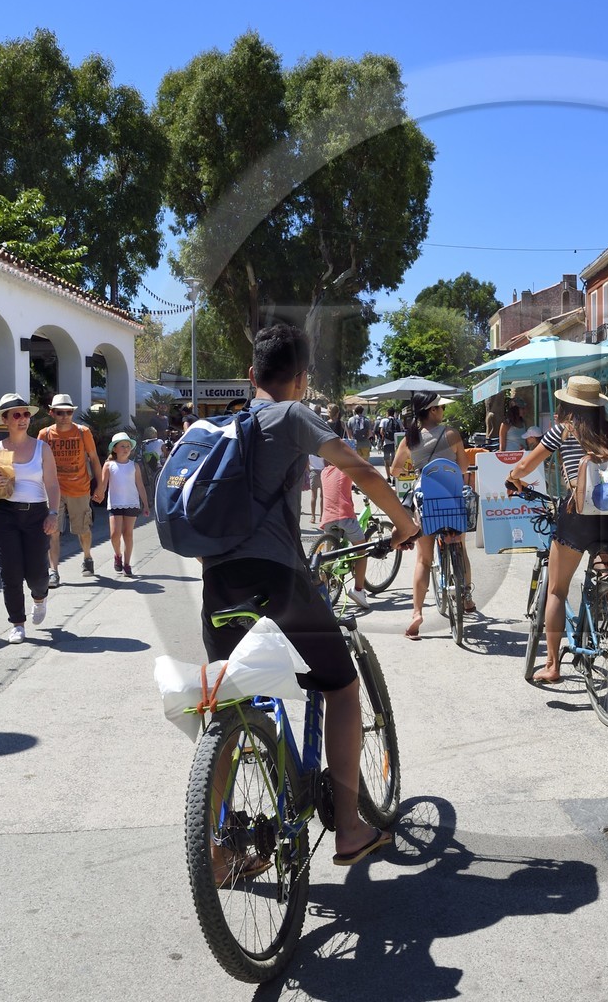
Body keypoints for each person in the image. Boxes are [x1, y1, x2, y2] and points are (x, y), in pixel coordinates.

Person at [199, 322, 418, 870]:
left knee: (234, 707)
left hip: (217, 587)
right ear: (300, 379)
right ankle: (347, 828)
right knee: (342, 687)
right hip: (275, 582)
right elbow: (361, 469)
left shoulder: (220, 428)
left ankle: (217, 849)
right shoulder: (292, 415)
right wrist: (403, 522)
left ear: (252, 376)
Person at [505, 376, 608, 684]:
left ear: (568, 404)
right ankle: (601, 616)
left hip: (577, 518)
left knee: (557, 590)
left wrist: (513, 477)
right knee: (603, 568)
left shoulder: (563, 431)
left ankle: (551, 665)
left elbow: (526, 466)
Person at [0, 393, 62, 645]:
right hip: (4, 514)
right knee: (11, 572)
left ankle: (40, 596)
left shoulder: (42, 448)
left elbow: (53, 485)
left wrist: (53, 513)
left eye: (26, 414)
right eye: (17, 414)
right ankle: (17, 623)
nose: (23, 419)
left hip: (36, 513)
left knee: (37, 573)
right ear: (5, 420)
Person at [392, 391, 473, 641]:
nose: (443, 411)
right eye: (440, 407)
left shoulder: (409, 439)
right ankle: (466, 597)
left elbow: (395, 470)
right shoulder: (451, 434)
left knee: (423, 560)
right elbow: (462, 468)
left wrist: (415, 470)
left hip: (425, 503)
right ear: (433, 410)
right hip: (451, 499)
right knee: (459, 545)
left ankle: (416, 613)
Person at [39, 393, 102, 586]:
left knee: (82, 528)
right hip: (53, 491)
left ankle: (87, 557)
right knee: (53, 531)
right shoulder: (45, 434)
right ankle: (53, 571)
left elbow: (94, 458)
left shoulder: (83, 432)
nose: (64, 416)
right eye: (60, 412)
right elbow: (38, 463)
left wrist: (100, 486)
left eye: (68, 412)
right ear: (52, 413)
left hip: (79, 488)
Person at [320, 461, 371, 609]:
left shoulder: (324, 472)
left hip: (328, 519)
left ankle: (322, 592)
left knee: (328, 558)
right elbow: (364, 480)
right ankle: (359, 591)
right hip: (345, 517)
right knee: (362, 551)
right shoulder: (346, 467)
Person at [98, 432, 149, 578]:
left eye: (128, 446)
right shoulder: (109, 465)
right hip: (115, 503)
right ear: (114, 449)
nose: (126, 449)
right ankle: (117, 555)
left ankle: (127, 564)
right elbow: (103, 484)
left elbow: (140, 485)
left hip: (132, 503)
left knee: (128, 534)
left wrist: (145, 504)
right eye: (122, 446)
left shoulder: (134, 466)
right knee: (115, 535)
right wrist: (97, 494)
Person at [376, 406, 399, 481]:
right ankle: (394, 478)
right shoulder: (398, 421)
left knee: (386, 460)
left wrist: (384, 438)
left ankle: (388, 477)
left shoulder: (384, 421)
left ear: (387, 413)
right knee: (394, 461)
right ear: (394, 413)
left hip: (386, 443)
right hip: (395, 444)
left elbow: (381, 431)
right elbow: (401, 430)